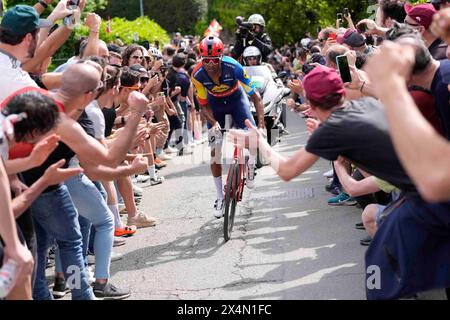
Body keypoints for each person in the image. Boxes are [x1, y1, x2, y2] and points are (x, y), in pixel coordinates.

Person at [191, 36, 265, 218]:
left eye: (214, 61)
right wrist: (214, 123)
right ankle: (219, 196)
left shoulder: (234, 67)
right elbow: (203, 106)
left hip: (236, 100)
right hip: (214, 105)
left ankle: (251, 165)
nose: (209, 65)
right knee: (215, 151)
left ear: (221, 57)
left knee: (253, 135)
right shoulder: (197, 74)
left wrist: (262, 125)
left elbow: (255, 96)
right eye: (205, 60)